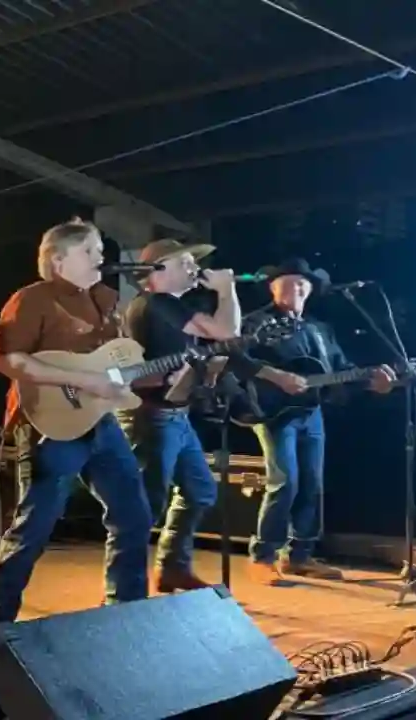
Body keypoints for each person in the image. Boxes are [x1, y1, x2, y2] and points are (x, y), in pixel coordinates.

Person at [0, 218, 153, 629]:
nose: (101, 258)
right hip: (47, 425)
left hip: (100, 421)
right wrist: (83, 379)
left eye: (100, 251)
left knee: (135, 515)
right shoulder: (31, 299)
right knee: (35, 526)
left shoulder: (104, 300)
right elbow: (4, 359)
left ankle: (127, 616)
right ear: (58, 260)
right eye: (90, 251)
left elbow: (112, 365)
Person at [124, 239, 305, 592]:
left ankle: (172, 567)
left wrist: (210, 370)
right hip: (149, 415)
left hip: (174, 414)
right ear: (160, 269)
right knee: (144, 505)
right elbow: (227, 332)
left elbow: (225, 347)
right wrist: (226, 289)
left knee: (200, 490)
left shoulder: (174, 308)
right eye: (187, 262)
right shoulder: (155, 303)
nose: (195, 269)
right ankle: (123, 587)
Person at [243, 258, 395, 585]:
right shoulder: (256, 323)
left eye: (303, 284)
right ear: (273, 287)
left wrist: (371, 381)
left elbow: (340, 367)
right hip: (274, 413)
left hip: (311, 412)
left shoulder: (319, 329)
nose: (297, 288)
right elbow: (240, 363)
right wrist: (279, 378)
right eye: (289, 282)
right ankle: (263, 556)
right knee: (285, 483)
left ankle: (300, 556)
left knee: (312, 484)